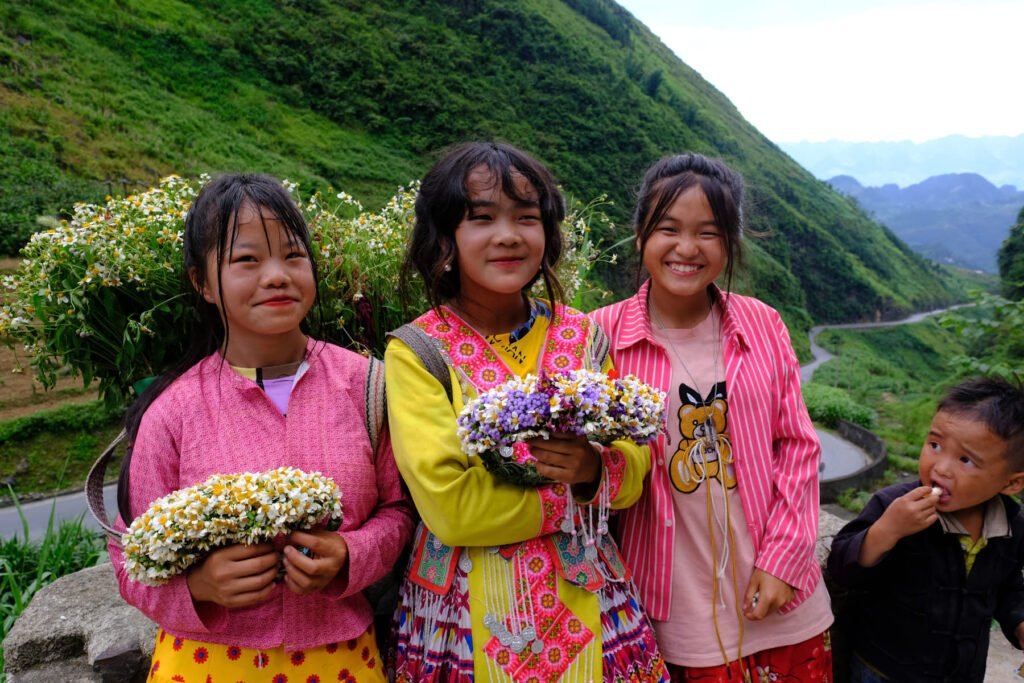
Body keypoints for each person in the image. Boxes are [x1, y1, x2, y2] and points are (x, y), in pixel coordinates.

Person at [109, 173, 415, 682]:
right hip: (204, 665)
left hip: (341, 661)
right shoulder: (173, 410)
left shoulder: (368, 387)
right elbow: (126, 554)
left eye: (293, 256)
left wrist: (349, 554)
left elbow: (398, 510)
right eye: (247, 260)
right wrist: (198, 587)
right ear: (202, 283)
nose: (277, 276)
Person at [384, 141, 669, 682]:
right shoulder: (419, 353)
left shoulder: (582, 335)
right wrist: (577, 492)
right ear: (445, 237)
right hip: (465, 614)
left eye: (526, 217)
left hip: (590, 602)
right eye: (482, 218)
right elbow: (451, 509)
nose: (508, 235)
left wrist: (596, 471)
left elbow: (634, 462)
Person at [590, 153, 834, 682]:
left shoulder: (762, 322)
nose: (686, 248)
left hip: (784, 600)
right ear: (640, 236)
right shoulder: (598, 338)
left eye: (709, 232)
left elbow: (796, 446)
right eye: (668, 229)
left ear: (729, 242)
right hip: (675, 611)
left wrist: (785, 561)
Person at [828, 376, 1024, 683]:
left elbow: (1007, 588)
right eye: (934, 445)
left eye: (965, 460)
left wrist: (1019, 622)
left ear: (1011, 483)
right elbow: (841, 565)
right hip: (882, 670)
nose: (940, 467)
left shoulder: (1010, 526)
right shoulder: (894, 505)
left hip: (960, 674)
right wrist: (887, 530)